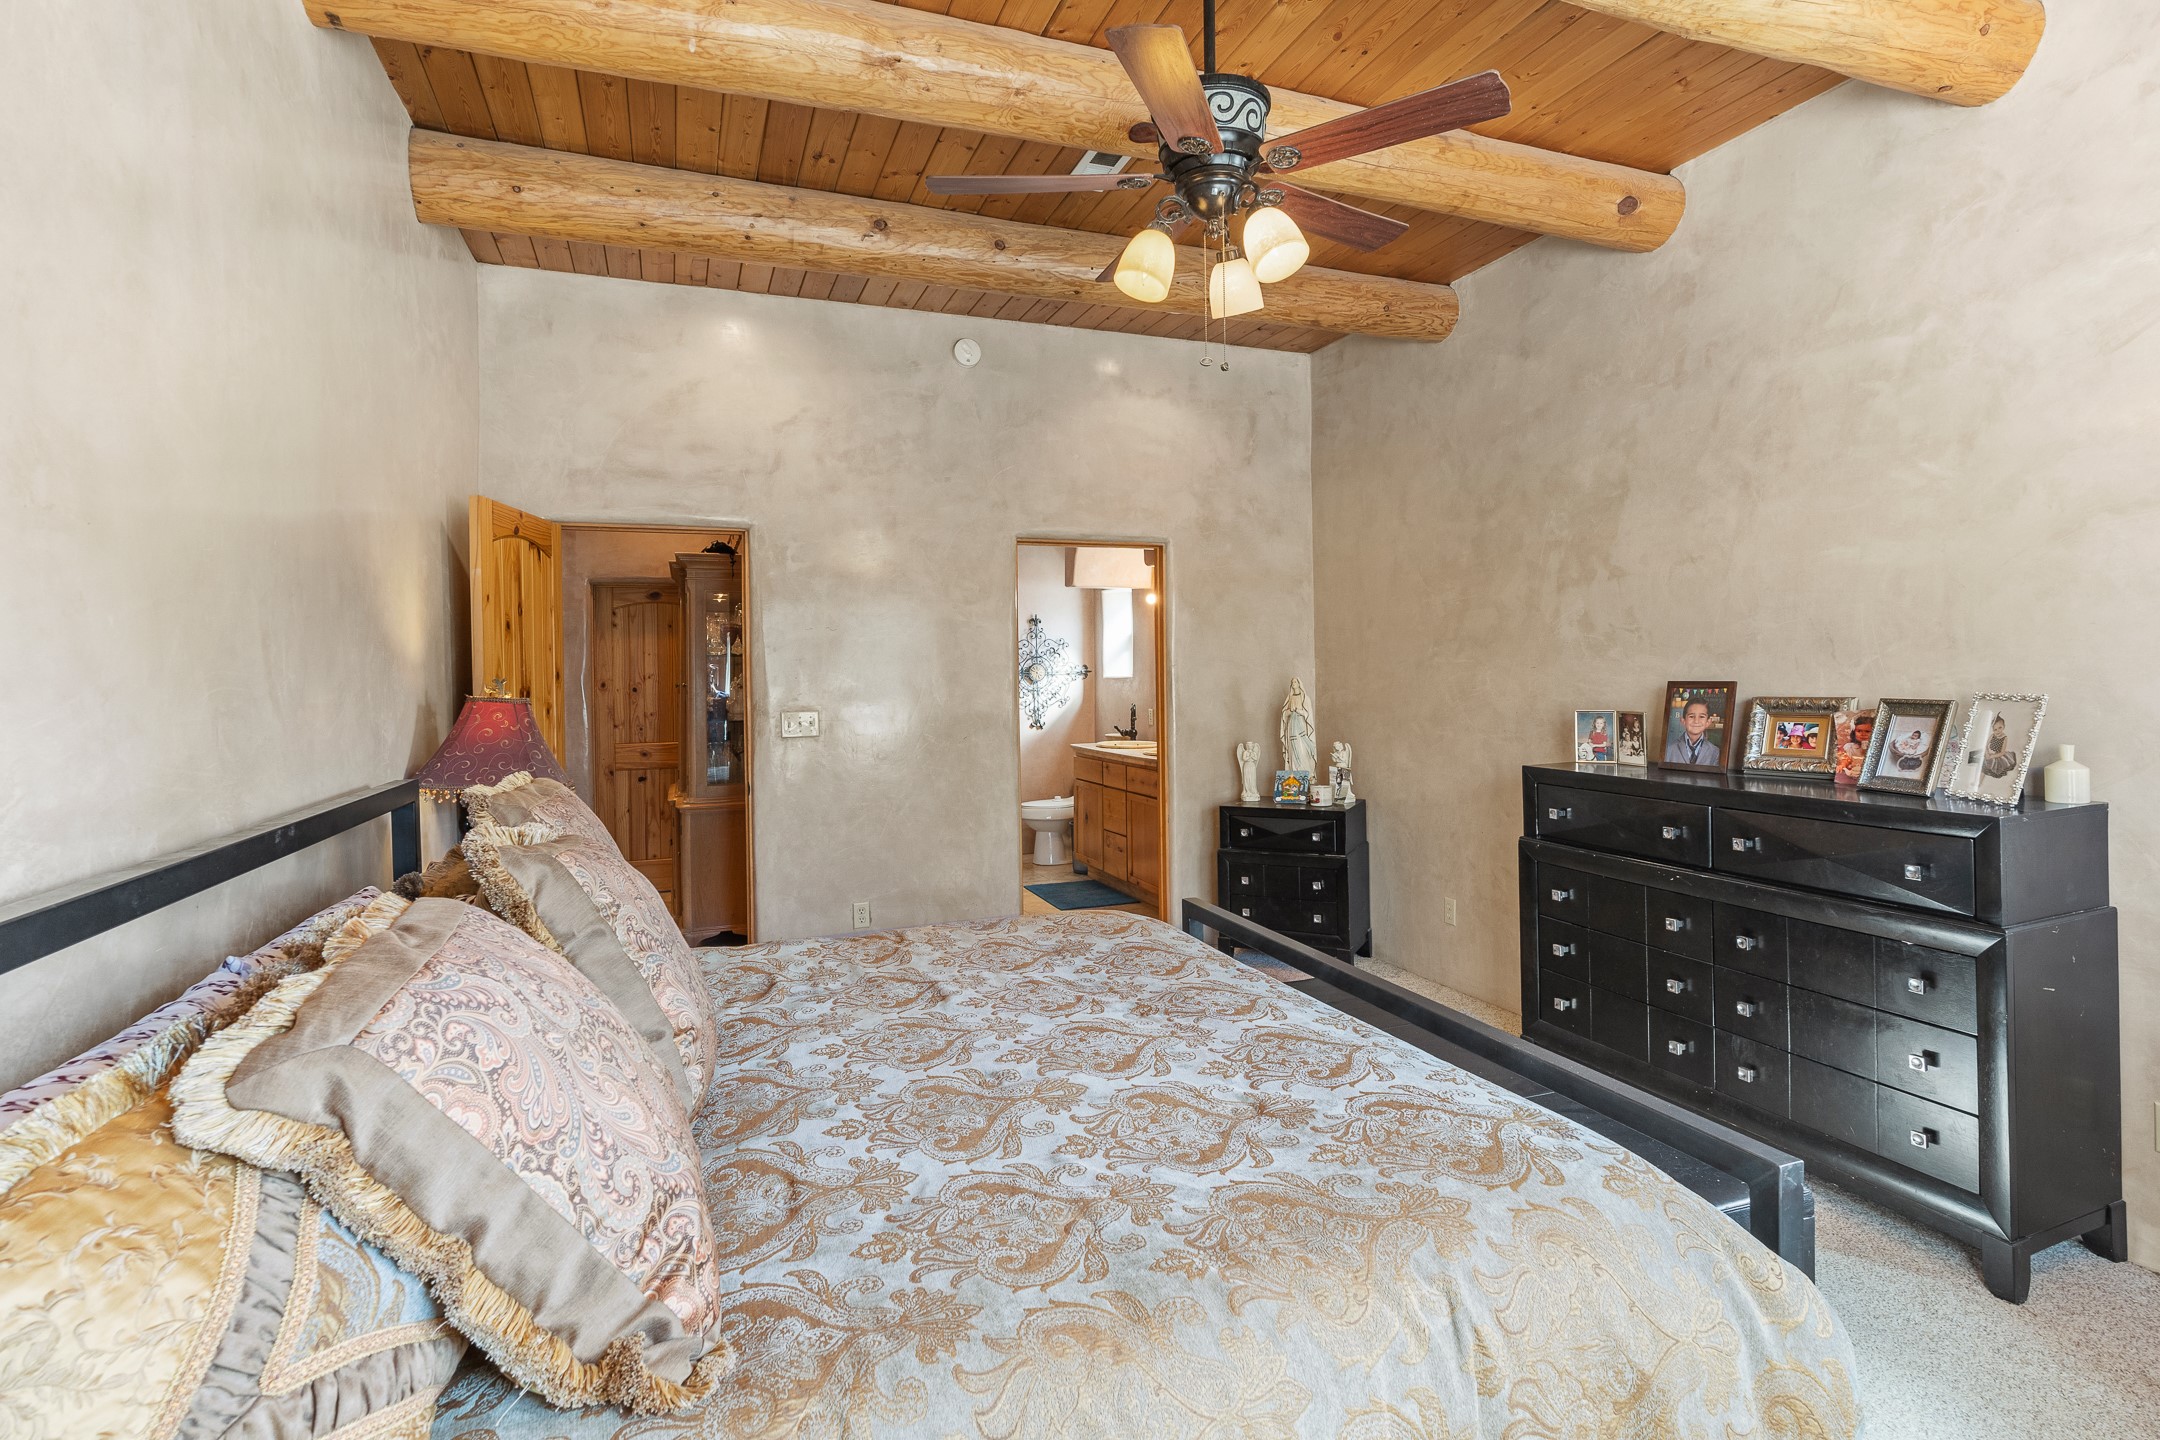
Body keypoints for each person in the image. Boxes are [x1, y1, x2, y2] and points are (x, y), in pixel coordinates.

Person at [1664, 698, 1721, 766]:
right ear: (1683, 721)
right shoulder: (1669, 749)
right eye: (1691, 716)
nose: (1696, 721)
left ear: (1708, 722)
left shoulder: (1715, 752)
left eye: (1701, 716)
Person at [1982, 713, 2019, 778]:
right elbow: (1985, 745)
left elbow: (2002, 752)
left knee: (1991, 765)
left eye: (2000, 728)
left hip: (1998, 755)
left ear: (2003, 726)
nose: (1998, 731)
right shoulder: (1992, 735)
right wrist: (1987, 753)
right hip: (1989, 753)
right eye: (1995, 729)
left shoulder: (2004, 738)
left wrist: (1992, 756)